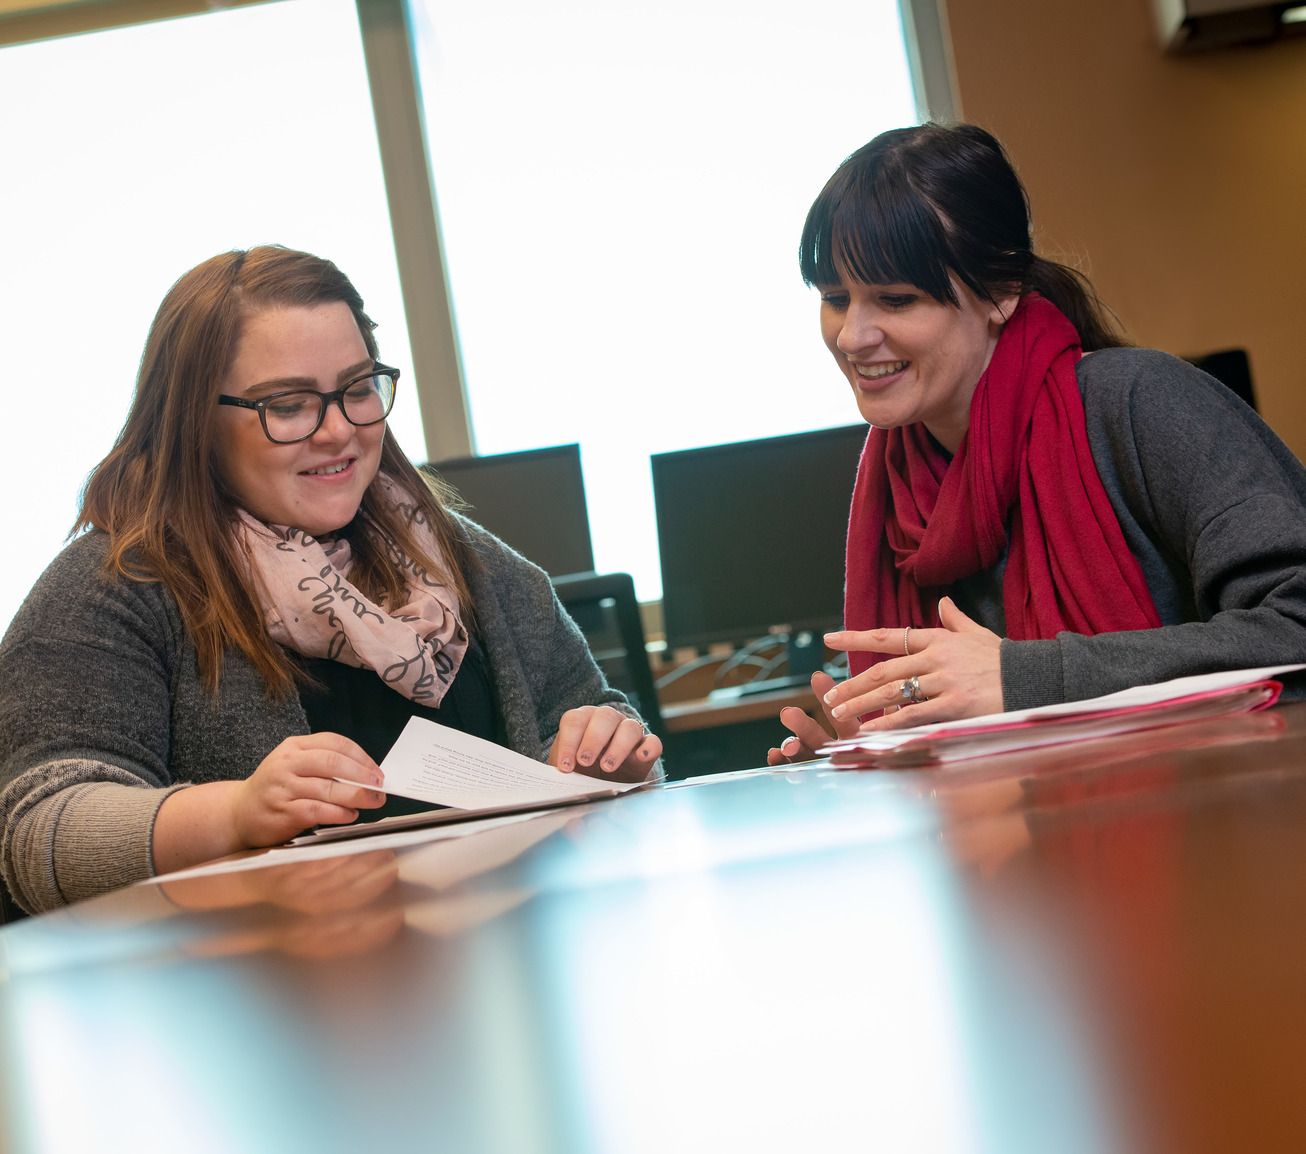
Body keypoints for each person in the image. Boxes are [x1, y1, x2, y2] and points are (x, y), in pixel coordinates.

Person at [0, 246, 661, 915]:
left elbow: (604, 734)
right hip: (252, 1009)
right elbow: (37, 833)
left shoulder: (474, 566)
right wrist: (236, 813)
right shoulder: (113, 586)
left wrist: (613, 758)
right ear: (195, 420)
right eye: (288, 405)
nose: (339, 430)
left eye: (356, 389)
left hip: (490, 988)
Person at [769, 123, 1306, 765]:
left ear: (1000, 292)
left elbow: (1295, 620)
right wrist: (884, 748)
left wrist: (1025, 679)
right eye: (834, 299)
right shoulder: (897, 485)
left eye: (896, 299)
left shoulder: (1142, 402)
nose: (853, 336)